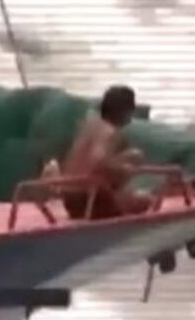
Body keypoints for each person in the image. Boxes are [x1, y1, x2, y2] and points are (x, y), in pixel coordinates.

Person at [61, 84, 152, 220]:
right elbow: (97, 161)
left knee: (134, 155)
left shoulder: (90, 124)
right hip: (89, 201)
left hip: (69, 200)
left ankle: (122, 194)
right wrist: (124, 171)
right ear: (124, 111)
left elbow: (79, 162)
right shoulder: (109, 131)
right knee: (145, 200)